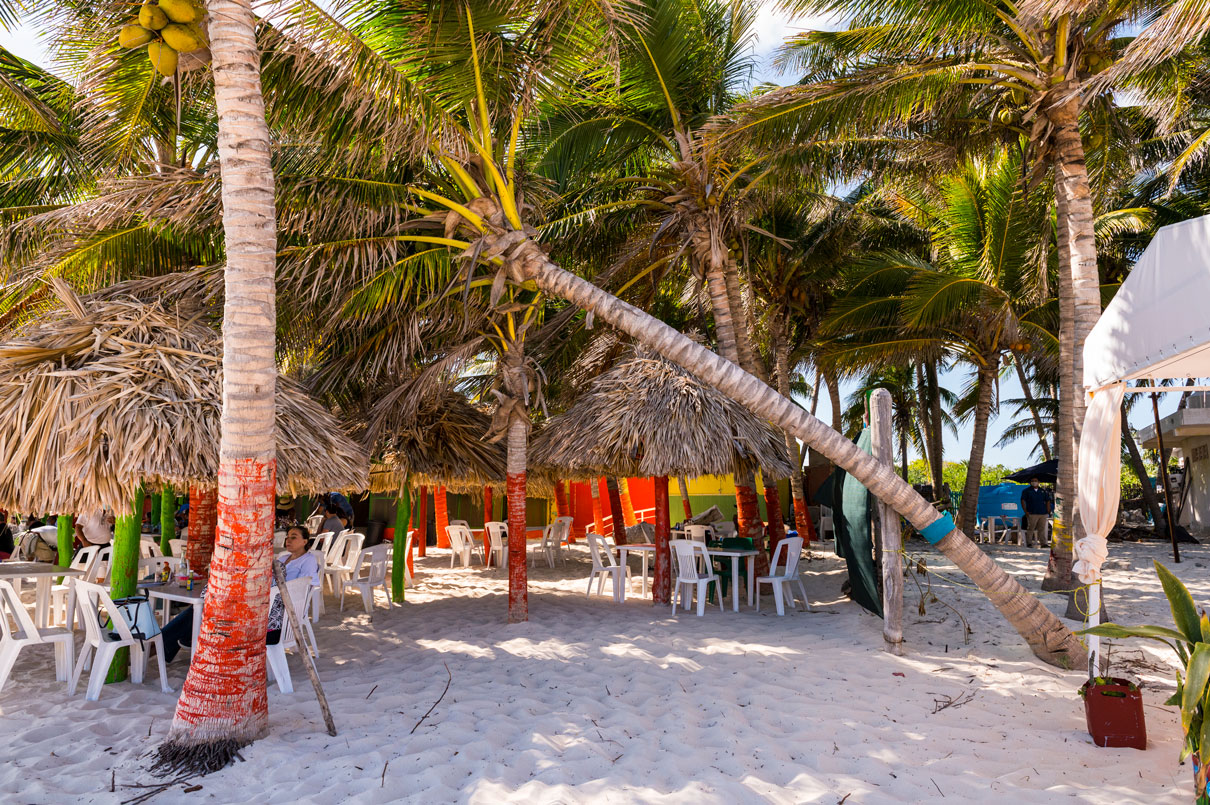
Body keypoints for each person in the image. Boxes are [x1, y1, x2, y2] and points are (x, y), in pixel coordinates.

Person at [159, 525, 320, 663]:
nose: (288, 540)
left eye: (294, 537)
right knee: (204, 609)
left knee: (204, 610)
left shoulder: (308, 560)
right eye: (287, 537)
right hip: (264, 602)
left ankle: (163, 643)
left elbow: (307, 587)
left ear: (305, 541)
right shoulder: (284, 557)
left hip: (277, 612)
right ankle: (171, 642)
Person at [1019, 477, 1053, 548]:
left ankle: (1043, 544)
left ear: (1039, 482)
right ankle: (1029, 543)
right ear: (1030, 482)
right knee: (1031, 528)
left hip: (1043, 513)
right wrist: (1025, 511)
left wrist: (1048, 511)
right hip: (1032, 513)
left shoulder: (1043, 491)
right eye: (1032, 481)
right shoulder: (1026, 491)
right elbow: (1022, 501)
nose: (1034, 482)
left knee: (1042, 529)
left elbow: (1048, 501)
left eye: (1036, 481)